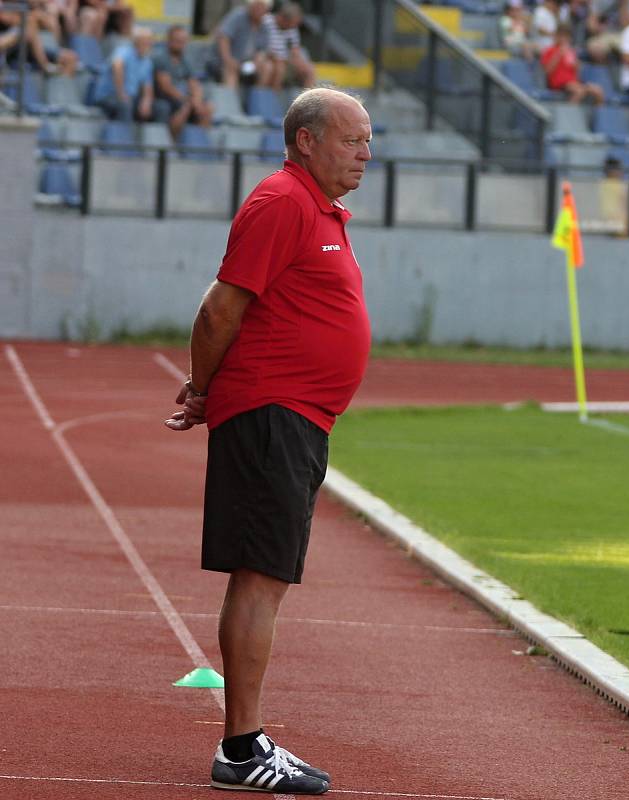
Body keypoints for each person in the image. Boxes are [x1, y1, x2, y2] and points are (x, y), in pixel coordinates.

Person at [164, 87, 372, 794]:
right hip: (271, 411)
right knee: (260, 575)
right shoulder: (283, 202)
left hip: (294, 415)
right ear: (306, 140)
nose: (365, 154)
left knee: (266, 575)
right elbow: (220, 307)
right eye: (352, 141)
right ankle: (242, 748)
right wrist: (202, 387)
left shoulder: (317, 209)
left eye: (368, 141)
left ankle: (244, 743)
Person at [153, 25, 213, 139]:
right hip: (166, 98)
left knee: (207, 108)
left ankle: (198, 142)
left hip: (183, 97)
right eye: (178, 41)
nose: (181, 44)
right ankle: (172, 142)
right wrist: (186, 100)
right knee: (185, 108)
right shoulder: (161, 58)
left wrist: (197, 100)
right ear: (169, 40)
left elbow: (194, 83)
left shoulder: (185, 60)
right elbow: (166, 87)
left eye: (183, 41)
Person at [93, 25, 154, 121]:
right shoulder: (123, 51)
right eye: (143, 42)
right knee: (125, 105)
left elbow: (147, 86)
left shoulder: (147, 62)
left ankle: (146, 135)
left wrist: (146, 102)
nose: (146, 45)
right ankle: (124, 136)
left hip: (131, 97)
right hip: (108, 96)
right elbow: (117, 66)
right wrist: (121, 93)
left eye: (148, 42)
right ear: (135, 42)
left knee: (160, 107)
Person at [207, 0, 272, 88]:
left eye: (262, 8)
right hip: (225, 61)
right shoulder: (238, 16)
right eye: (256, 7)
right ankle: (230, 98)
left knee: (267, 67)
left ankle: (257, 98)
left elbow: (263, 50)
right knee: (230, 70)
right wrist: (228, 60)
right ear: (250, 6)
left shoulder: (265, 26)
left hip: (247, 64)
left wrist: (258, 61)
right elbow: (223, 37)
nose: (259, 10)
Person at [541, 23, 604, 102]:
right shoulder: (549, 50)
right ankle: (567, 114)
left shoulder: (570, 51)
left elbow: (577, 70)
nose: (564, 39)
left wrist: (577, 64)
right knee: (579, 91)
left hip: (573, 82)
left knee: (598, 91)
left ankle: (598, 114)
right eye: (561, 36)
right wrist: (559, 54)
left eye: (566, 36)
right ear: (556, 36)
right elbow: (547, 71)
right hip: (559, 83)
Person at [263, 1, 315, 90]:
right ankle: (273, 97)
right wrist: (277, 58)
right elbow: (261, 46)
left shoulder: (292, 28)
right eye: (292, 23)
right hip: (269, 59)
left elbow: (295, 50)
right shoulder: (265, 22)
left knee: (309, 69)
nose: (293, 26)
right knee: (279, 68)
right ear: (283, 18)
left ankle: (306, 100)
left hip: (286, 61)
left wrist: (300, 63)